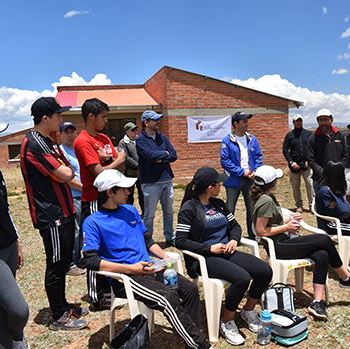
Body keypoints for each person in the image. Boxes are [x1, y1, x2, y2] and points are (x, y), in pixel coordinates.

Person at [83, 170, 212, 349]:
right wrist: (131, 269)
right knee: (167, 298)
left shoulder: (130, 210)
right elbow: (90, 261)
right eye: (124, 189)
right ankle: (201, 346)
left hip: (151, 268)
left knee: (190, 289)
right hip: (126, 278)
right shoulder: (92, 222)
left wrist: (165, 258)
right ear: (109, 192)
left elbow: (147, 240)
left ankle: (191, 343)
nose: (129, 192)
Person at [251, 165, 350, 321]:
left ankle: (317, 302)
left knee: (322, 254)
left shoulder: (268, 197)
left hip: (284, 242)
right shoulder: (265, 200)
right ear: (272, 183)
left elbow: (274, 219)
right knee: (324, 239)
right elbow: (260, 231)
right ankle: (346, 278)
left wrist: (290, 218)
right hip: (279, 247)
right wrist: (286, 227)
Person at [175, 167, 272, 346]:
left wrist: (234, 240)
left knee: (265, 271)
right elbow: (180, 241)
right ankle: (227, 322)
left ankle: (248, 310)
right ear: (210, 187)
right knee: (241, 278)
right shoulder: (189, 208)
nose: (221, 185)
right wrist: (209, 248)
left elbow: (235, 226)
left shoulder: (218, 203)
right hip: (203, 259)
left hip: (227, 251)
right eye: (218, 182)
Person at [21, 97, 88, 331]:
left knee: (63, 263)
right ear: (45, 118)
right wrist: (66, 172)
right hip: (51, 215)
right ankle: (58, 316)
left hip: (65, 210)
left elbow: (65, 172)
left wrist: (65, 172)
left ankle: (63, 305)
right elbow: (66, 173)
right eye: (58, 115)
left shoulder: (48, 141)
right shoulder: (33, 142)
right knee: (57, 264)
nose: (61, 119)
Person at [74, 98, 126, 310]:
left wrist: (110, 161)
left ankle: (111, 287)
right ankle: (97, 296)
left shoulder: (103, 137)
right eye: (103, 116)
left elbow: (116, 169)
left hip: (113, 196)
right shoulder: (83, 140)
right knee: (95, 247)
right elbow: (98, 173)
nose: (106, 120)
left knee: (111, 243)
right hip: (94, 198)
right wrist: (116, 159)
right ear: (91, 116)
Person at [136, 110, 178, 246]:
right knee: (149, 214)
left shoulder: (163, 137)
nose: (158, 121)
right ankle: (148, 242)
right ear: (146, 122)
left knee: (169, 212)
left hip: (167, 179)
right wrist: (163, 155)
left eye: (158, 119)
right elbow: (149, 156)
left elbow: (173, 155)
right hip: (151, 182)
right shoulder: (140, 140)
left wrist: (159, 157)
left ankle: (170, 237)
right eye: (155, 120)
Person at [0, 164, 30, 349]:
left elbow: (5, 209)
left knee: (4, 308)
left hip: (8, 245)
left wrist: (16, 243)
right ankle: (17, 339)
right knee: (19, 311)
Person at [220, 111, 263, 240]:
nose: (247, 124)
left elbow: (258, 156)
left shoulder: (252, 138)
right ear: (236, 124)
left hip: (250, 180)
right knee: (230, 210)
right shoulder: (227, 140)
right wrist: (241, 172)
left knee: (251, 209)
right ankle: (228, 236)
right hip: (233, 180)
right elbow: (225, 161)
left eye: (247, 121)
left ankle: (253, 234)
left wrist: (255, 171)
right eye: (244, 121)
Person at [59, 121, 85, 277]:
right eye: (66, 132)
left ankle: (78, 257)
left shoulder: (78, 149)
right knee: (73, 231)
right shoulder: (61, 152)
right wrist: (86, 188)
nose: (70, 134)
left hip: (84, 196)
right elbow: (68, 178)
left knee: (83, 230)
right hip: (72, 197)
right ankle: (70, 263)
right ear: (60, 134)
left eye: (72, 131)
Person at [307, 108, 348, 193]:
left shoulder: (339, 135)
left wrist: (338, 169)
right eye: (320, 120)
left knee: (339, 204)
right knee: (322, 204)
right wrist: (325, 173)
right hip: (320, 179)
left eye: (326, 119)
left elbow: (345, 155)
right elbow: (311, 160)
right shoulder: (313, 139)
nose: (323, 123)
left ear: (331, 120)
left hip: (338, 178)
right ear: (317, 122)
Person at [282, 114, 314, 213]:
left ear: (302, 121)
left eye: (300, 120)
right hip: (294, 166)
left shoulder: (308, 134)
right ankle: (299, 205)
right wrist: (291, 162)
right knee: (295, 186)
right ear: (293, 123)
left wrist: (309, 161)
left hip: (307, 165)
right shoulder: (290, 135)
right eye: (296, 121)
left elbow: (313, 148)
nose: (298, 122)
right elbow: (285, 149)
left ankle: (312, 205)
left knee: (310, 185)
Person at [119, 122, 144, 214]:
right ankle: (129, 213)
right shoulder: (123, 142)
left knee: (142, 194)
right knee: (129, 194)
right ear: (127, 132)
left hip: (141, 172)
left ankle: (144, 212)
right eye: (133, 130)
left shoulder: (139, 140)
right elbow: (125, 157)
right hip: (129, 173)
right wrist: (138, 165)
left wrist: (142, 167)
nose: (135, 132)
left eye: (136, 130)